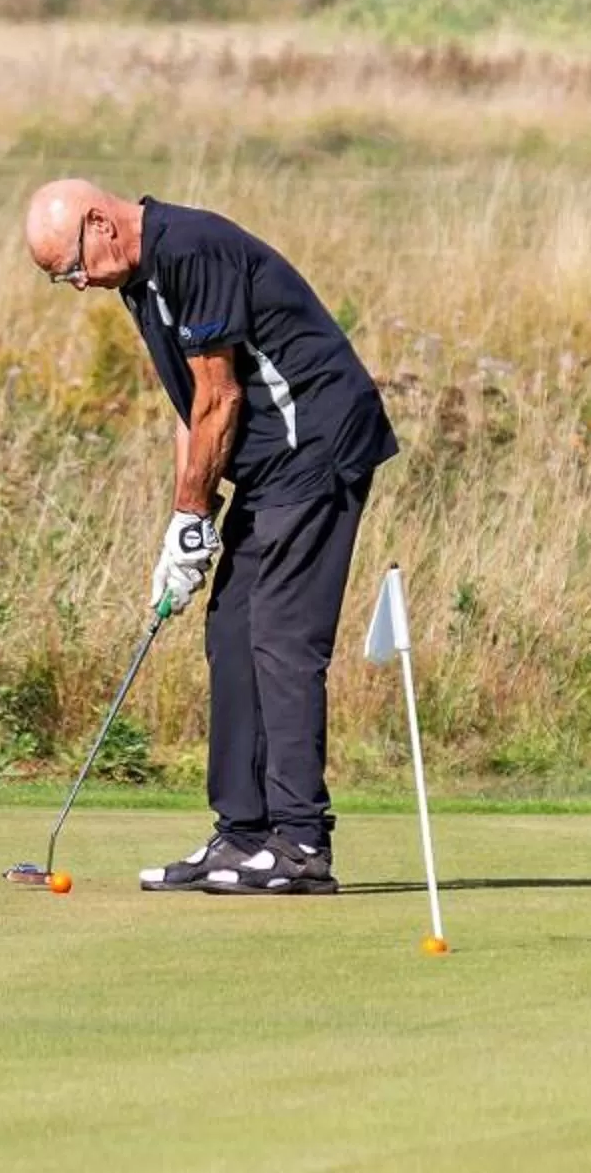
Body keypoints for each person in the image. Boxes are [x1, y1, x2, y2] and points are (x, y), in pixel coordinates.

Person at [21, 179, 398, 896]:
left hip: (317, 447)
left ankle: (300, 844)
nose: (74, 285)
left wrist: (196, 514)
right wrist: (182, 523)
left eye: (70, 268)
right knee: (230, 633)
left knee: (281, 640)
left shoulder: (190, 250)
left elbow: (222, 397)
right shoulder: (138, 279)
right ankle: (242, 835)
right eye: (58, 279)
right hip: (268, 467)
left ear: (100, 223)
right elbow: (191, 404)